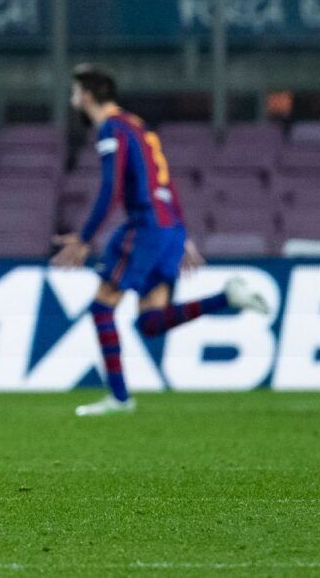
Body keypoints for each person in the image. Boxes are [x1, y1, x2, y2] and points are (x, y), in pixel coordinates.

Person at [51, 64, 270, 417]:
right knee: (151, 321)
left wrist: (85, 237)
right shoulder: (138, 126)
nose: (72, 98)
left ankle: (120, 398)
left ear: (88, 94)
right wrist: (182, 234)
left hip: (144, 227)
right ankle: (226, 296)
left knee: (101, 307)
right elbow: (164, 183)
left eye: (75, 91)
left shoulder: (113, 128)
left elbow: (112, 187)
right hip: (168, 228)